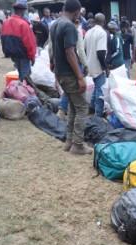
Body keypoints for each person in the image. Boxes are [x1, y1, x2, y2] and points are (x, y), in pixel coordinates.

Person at [50, 0, 91, 155]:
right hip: (69, 74)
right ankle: (78, 145)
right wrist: (80, 77)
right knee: (82, 108)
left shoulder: (55, 24)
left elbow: (53, 49)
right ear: (77, 11)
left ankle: (69, 141)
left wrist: (53, 67)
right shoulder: (69, 27)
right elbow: (70, 53)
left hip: (61, 73)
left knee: (73, 107)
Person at [57, 18, 88, 119]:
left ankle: (62, 109)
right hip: (74, 63)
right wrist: (85, 64)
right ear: (77, 23)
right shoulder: (76, 32)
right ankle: (68, 111)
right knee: (75, 89)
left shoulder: (59, 29)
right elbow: (80, 50)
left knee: (67, 89)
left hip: (62, 64)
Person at [1, 0, 36, 82]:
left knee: (20, 72)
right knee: (25, 76)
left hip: (13, 54)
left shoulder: (6, 22)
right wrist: (32, 56)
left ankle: (20, 88)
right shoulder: (23, 24)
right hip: (23, 54)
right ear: (21, 11)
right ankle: (23, 91)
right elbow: (29, 42)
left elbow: (3, 38)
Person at [84, 12, 108, 117]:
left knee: (97, 87)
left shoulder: (88, 32)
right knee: (101, 90)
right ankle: (98, 115)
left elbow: (83, 49)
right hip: (98, 65)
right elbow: (101, 52)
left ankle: (91, 108)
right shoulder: (102, 33)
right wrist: (105, 67)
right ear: (103, 22)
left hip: (89, 64)